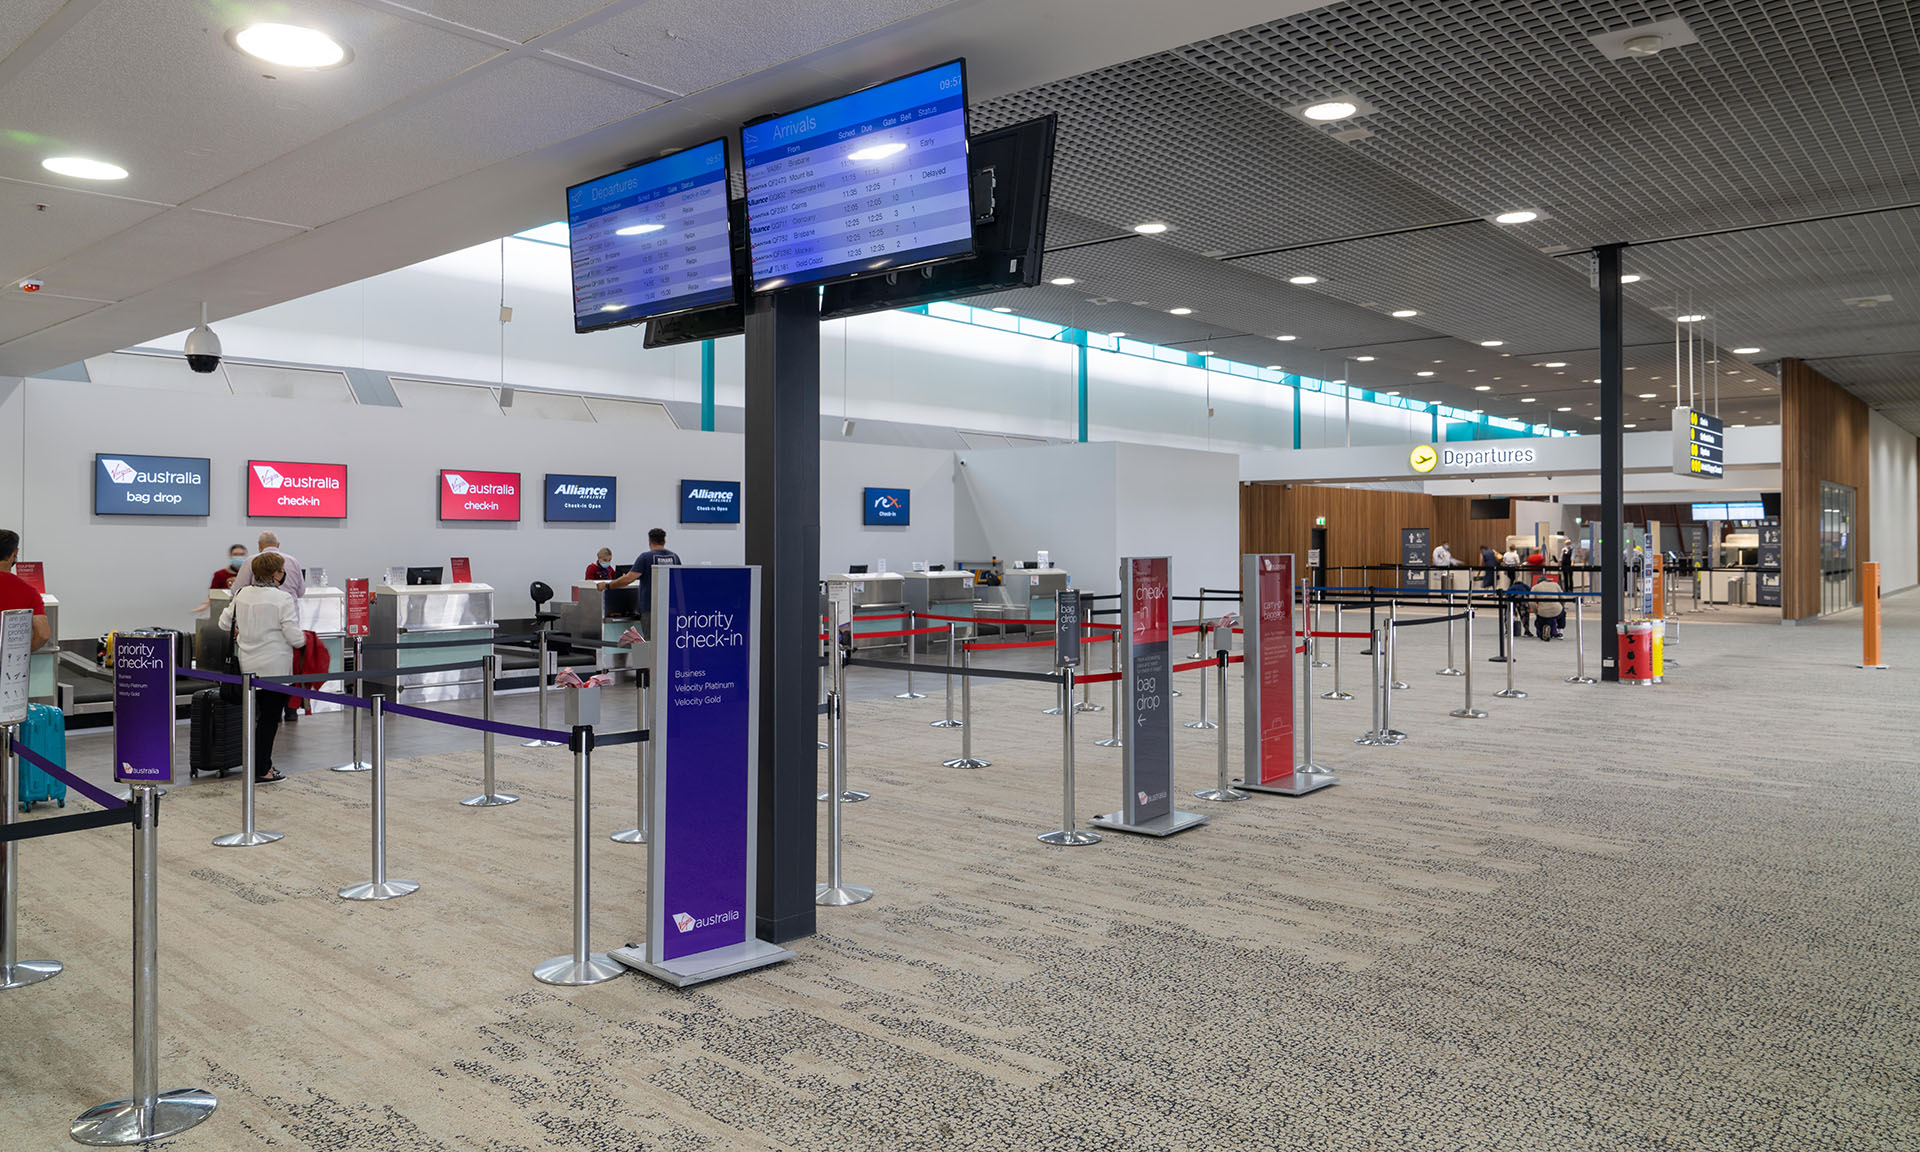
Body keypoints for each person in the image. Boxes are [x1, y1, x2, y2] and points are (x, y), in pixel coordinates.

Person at [217, 553, 305, 783]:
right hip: (275, 669)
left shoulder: (242, 594)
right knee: (269, 720)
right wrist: (308, 643)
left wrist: (241, 631)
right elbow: (293, 636)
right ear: (276, 573)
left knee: (252, 719)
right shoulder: (282, 598)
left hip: (247, 666)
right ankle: (262, 769)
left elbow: (224, 623)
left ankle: (254, 765)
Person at [231, 532, 304, 721]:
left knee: (259, 699)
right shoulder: (293, 563)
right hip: (281, 642)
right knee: (284, 680)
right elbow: (301, 591)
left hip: (250, 644)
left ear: (259, 545)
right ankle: (289, 710)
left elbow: (235, 591)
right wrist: (306, 641)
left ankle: (262, 718)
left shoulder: (250, 564)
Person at [600, 528, 681, 634]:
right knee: (669, 640)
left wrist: (608, 586)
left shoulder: (646, 557)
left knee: (651, 643)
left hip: (650, 608)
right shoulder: (674, 557)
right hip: (671, 608)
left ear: (650, 541)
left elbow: (629, 578)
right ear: (664, 541)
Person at [0, 530, 51, 652]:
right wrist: (21, 652)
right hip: (10, 666)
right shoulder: (29, 591)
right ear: (15, 552)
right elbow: (43, 635)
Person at [192, 543, 250, 615]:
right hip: (225, 611)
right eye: (235, 554)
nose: (238, 557)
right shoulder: (220, 574)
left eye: (241, 554)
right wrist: (205, 605)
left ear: (246, 555)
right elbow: (213, 593)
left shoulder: (250, 574)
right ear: (230, 556)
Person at [1529, 559, 1565, 640]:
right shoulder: (1555, 585)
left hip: (1542, 612)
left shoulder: (1535, 587)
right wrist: (1562, 607)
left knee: (1540, 621)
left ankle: (1543, 630)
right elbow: (1563, 598)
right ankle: (1560, 632)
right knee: (1563, 614)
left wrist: (1536, 612)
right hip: (1556, 611)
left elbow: (1531, 602)